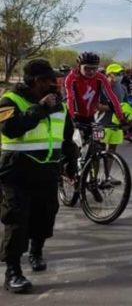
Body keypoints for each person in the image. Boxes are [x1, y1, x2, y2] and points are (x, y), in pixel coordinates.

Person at [0, 59, 79, 293]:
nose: (54, 84)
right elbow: (10, 129)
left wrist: (70, 162)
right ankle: (13, 271)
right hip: (15, 172)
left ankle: (36, 252)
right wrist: (40, 109)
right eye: (48, 80)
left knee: (45, 215)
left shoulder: (59, 105)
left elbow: (66, 136)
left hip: (47, 170)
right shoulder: (10, 100)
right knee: (17, 220)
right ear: (35, 81)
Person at [100, 64, 132, 161]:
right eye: (116, 73)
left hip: (116, 125)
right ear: (108, 74)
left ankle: (107, 175)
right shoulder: (100, 87)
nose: (119, 75)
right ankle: (95, 175)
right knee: (98, 151)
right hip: (101, 124)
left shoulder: (123, 88)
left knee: (112, 152)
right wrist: (112, 108)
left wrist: (128, 120)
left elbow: (126, 105)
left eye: (120, 73)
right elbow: (95, 105)